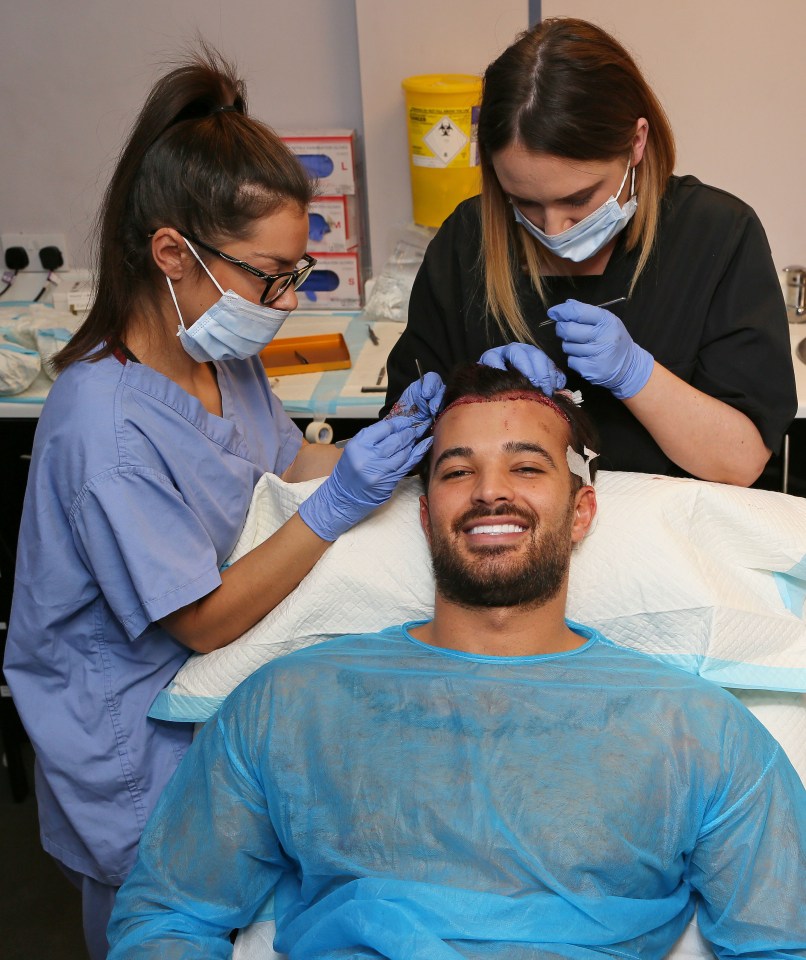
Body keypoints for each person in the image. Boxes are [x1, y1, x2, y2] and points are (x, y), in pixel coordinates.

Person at [107, 363, 806, 959]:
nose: (490, 491)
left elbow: (785, 943)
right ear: (424, 512)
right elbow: (169, 916)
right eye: (457, 470)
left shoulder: (696, 730)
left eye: (527, 466)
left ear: (582, 512)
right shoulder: (290, 702)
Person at [3, 48, 441, 960]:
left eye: (296, 273)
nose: (283, 302)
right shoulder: (106, 431)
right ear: (172, 252)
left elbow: (283, 458)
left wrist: (395, 449)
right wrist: (339, 504)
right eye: (268, 276)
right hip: (131, 742)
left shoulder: (215, 355)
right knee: (159, 921)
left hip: (222, 695)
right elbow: (199, 620)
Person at [383, 17, 797, 486]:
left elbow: (740, 463)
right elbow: (403, 430)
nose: (554, 230)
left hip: (665, 536)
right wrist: (467, 398)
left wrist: (638, 376)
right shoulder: (467, 240)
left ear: (636, 142)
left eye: (579, 200)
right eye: (525, 203)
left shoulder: (718, 236)